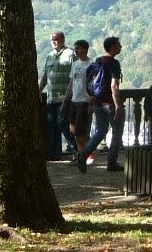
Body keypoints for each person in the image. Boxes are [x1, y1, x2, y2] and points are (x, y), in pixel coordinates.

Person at [85, 36, 125, 172]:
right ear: (113, 46)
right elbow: (114, 86)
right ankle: (111, 162)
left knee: (100, 131)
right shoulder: (113, 63)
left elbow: (92, 83)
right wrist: (118, 105)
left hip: (97, 102)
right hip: (110, 104)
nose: (121, 47)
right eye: (119, 45)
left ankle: (83, 154)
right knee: (117, 132)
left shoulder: (98, 61)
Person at [38, 30, 76, 159]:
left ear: (63, 40)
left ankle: (76, 149)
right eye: (52, 39)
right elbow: (45, 76)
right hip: (51, 97)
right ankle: (54, 154)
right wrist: (39, 90)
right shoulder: (49, 56)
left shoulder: (70, 54)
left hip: (65, 97)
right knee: (52, 125)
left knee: (63, 124)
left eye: (56, 39)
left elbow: (76, 76)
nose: (54, 41)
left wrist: (71, 95)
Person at [63, 39, 93, 172]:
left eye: (78, 48)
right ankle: (84, 154)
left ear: (86, 49)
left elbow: (94, 84)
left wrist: (92, 101)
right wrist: (65, 100)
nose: (76, 51)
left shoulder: (91, 64)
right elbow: (71, 83)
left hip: (84, 100)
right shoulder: (75, 64)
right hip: (74, 100)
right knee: (73, 130)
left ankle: (85, 154)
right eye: (75, 49)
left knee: (80, 130)